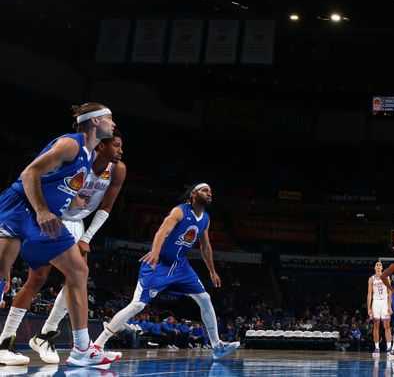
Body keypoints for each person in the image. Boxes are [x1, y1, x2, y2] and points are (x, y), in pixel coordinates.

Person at [0, 102, 120, 366]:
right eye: (110, 118)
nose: (114, 123)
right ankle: (4, 342)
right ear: (95, 122)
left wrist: (72, 198)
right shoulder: (71, 144)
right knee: (1, 274)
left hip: (47, 217)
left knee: (79, 271)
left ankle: (81, 349)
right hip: (19, 208)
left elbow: (61, 179)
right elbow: (30, 172)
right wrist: (43, 210)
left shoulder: (88, 154)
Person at [91, 183, 240, 360]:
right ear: (193, 194)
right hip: (159, 263)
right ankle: (97, 345)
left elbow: (206, 247)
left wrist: (212, 271)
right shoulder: (180, 211)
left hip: (181, 266)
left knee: (205, 299)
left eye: (211, 191)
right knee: (137, 305)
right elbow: (162, 230)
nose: (209, 193)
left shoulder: (205, 219)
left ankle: (217, 346)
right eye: (205, 190)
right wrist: (155, 251)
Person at [367, 261, 392, 357]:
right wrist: (369, 308)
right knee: (376, 325)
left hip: (384, 301)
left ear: (382, 268)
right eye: (377, 265)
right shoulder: (371, 279)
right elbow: (369, 294)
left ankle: (389, 348)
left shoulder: (386, 277)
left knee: (387, 325)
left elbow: (390, 292)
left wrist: (389, 306)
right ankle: (377, 348)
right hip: (376, 302)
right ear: (374, 267)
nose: (378, 266)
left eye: (380, 265)